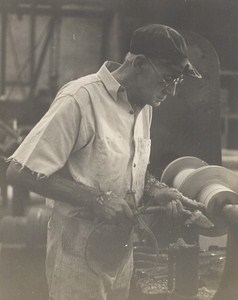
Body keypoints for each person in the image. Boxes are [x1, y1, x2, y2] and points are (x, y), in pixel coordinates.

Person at [6, 24, 205, 300]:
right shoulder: (80, 99)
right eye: (168, 79)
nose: (170, 91)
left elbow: (131, 167)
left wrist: (157, 189)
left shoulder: (144, 106)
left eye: (177, 82)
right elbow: (19, 171)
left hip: (121, 248)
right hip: (77, 246)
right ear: (139, 64)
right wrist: (97, 200)